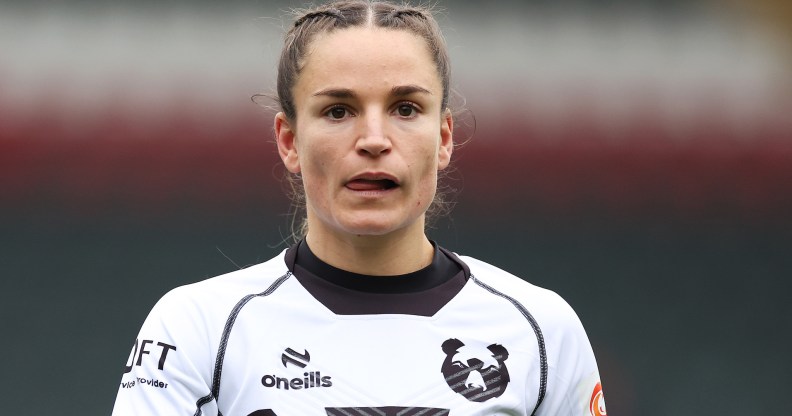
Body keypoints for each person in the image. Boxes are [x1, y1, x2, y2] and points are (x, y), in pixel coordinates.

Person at [112, 1, 607, 415]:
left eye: (406, 108)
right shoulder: (198, 328)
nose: (373, 140)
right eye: (338, 111)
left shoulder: (541, 330)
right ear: (288, 140)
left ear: (443, 137)